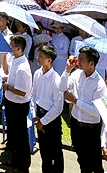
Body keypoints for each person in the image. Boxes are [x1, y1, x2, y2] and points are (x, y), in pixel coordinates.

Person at [62, 46, 107, 173]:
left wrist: (75, 101)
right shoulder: (76, 74)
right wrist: (67, 70)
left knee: (95, 164)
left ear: (91, 63)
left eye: (82, 59)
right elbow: (61, 87)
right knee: (82, 160)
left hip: (90, 129)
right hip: (76, 124)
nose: (78, 61)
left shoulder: (99, 84)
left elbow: (96, 112)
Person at [1, 35, 32, 173]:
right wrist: (3, 56)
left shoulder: (22, 68)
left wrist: (8, 87)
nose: (10, 48)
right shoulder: (15, 59)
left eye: (12, 46)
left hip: (18, 105)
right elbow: (7, 70)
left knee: (21, 137)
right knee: (14, 133)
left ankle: (22, 164)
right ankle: (14, 158)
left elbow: (23, 92)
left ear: (18, 48)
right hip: (10, 101)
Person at [32, 45, 64, 173]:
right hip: (39, 114)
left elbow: (58, 107)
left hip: (51, 119)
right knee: (44, 152)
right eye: (38, 55)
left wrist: (43, 122)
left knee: (55, 152)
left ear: (49, 60)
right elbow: (33, 95)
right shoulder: (37, 74)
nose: (38, 58)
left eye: (41, 56)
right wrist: (35, 116)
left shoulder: (56, 80)